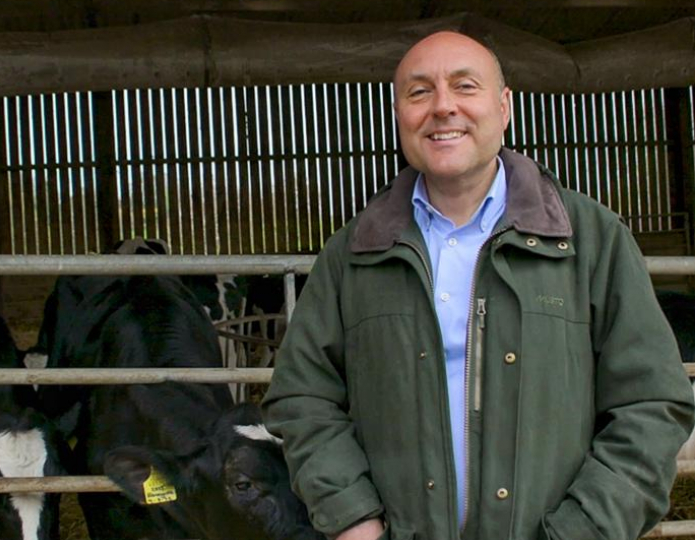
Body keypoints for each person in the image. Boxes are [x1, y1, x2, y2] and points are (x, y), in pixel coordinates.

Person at [261, 30, 695, 540]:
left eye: (465, 86)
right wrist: (353, 518)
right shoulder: (354, 253)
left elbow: (652, 402)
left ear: (504, 105)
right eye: (419, 92)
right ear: (399, 112)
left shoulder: (589, 240)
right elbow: (302, 397)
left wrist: (584, 528)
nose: (443, 107)